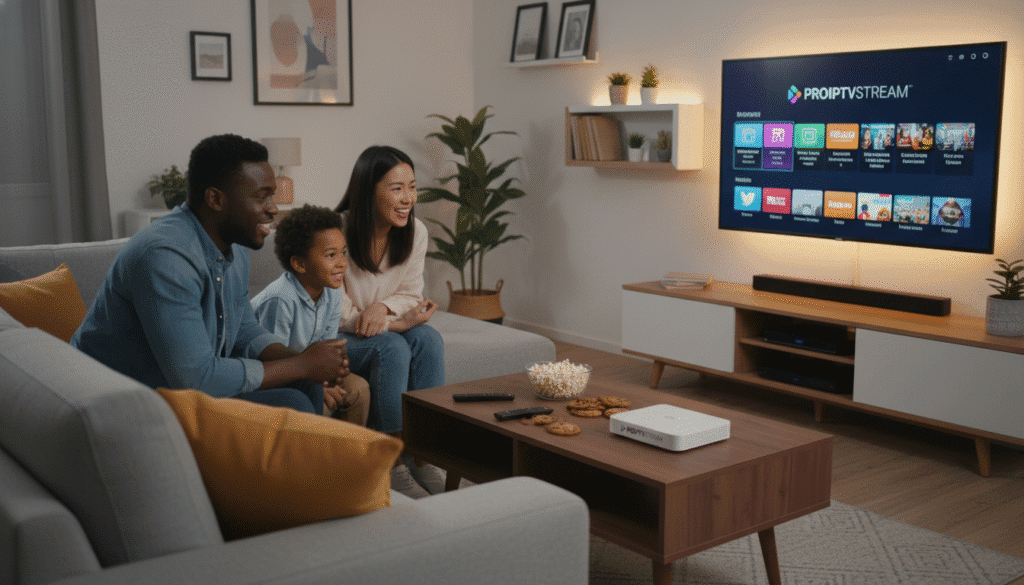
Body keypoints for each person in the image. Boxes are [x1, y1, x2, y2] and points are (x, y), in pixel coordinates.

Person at [72, 134, 349, 414]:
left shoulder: (234, 245)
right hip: (121, 399)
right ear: (216, 199)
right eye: (261, 197)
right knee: (293, 401)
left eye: (272, 196)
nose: (274, 208)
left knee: (307, 386)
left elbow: (243, 328)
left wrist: (308, 361)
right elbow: (196, 379)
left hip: (181, 389)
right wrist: (301, 365)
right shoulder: (165, 258)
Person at [335, 145, 446, 494]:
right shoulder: (335, 233)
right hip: (338, 335)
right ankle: (392, 462)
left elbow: (411, 293)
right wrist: (389, 323)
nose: (407, 199)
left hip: (376, 325)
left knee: (428, 339)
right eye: (396, 188)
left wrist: (382, 308)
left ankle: (424, 455)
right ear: (367, 191)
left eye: (412, 187)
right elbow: (334, 313)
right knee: (392, 347)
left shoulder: (416, 231)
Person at [251, 204, 371, 425]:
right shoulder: (281, 300)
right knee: (315, 403)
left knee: (359, 389)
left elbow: (328, 347)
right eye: (331, 255)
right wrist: (318, 388)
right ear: (299, 263)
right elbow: (273, 363)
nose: (342, 263)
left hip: (313, 370)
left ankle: (351, 447)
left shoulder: (332, 292)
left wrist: (329, 377)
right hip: (280, 375)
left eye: (343, 253)